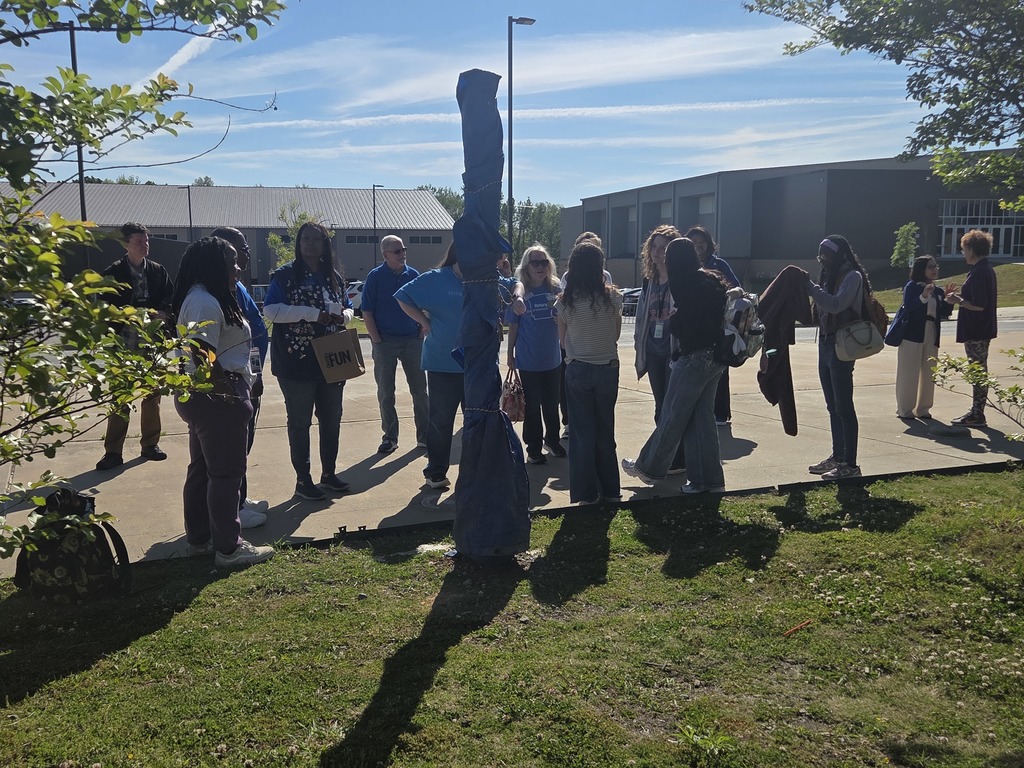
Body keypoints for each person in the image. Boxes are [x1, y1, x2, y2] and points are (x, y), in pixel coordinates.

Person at [172, 237, 274, 567]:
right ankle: (229, 548)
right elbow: (202, 359)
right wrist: (231, 395)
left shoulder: (207, 297)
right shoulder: (204, 302)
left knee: (203, 470)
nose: (238, 267)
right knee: (226, 475)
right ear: (212, 264)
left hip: (208, 398)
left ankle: (200, 539)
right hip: (217, 398)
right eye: (231, 261)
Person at [395, 244, 524, 490]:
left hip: (479, 365)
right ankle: (435, 472)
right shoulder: (436, 279)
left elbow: (515, 283)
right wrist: (423, 321)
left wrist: (517, 297)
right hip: (443, 364)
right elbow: (403, 296)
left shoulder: (487, 278)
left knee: (478, 420)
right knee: (440, 420)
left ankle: (476, 471)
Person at [622, 237, 728, 494]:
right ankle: (708, 480)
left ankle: (649, 467)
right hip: (716, 358)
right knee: (702, 421)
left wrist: (675, 320)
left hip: (692, 358)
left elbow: (686, 327)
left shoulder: (684, 283)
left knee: (671, 415)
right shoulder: (710, 279)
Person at [263, 222, 354, 501]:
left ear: (325, 244)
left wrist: (345, 317)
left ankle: (329, 474)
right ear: (298, 243)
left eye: (317, 239)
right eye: (305, 239)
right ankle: (304, 480)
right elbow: (271, 311)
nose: (310, 244)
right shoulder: (285, 275)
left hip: (331, 358)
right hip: (296, 360)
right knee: (300, 422)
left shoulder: (334, 276)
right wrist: (312, 314)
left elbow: (348, 306)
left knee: (332, 419)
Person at [95, 222, 174, 471]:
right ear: (126, 244)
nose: (145, 245)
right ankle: (113, 452)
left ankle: (150, 444)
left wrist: (162, 312)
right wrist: (124, 315)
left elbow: (170, 297)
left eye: (147, 241)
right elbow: (104, 306)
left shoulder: (158, 271)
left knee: (152, 395)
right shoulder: (114, 272)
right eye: (139, 242)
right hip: (123, 341)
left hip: (152, 340)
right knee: (120, 396)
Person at [209, 227, 269, 528]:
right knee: (231, 449)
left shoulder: (238, 285)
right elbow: (204, 350)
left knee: (243, 444)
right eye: (239, 248)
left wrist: (256, 374)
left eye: (245, 248)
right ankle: (233, 509)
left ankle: (240, 498)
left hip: (247, 376)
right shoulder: (218, 291)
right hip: (232, 382)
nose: (246, 253)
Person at [555, 240, 623, 504]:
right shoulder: (614, 297)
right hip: (608, 367)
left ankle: (585, 493)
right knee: (605, 430)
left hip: (578, 368)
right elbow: (616, 334)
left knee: (581, 434)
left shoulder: (564, 302)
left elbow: (563, 341)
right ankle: (610, 490)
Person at [806, 235, 872, 480]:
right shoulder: (827, 275)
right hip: (825, 343)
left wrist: (811, 288)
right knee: (832, 405)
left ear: (839, 254)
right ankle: (838, 455)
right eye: (820, 254)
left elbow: (836, 305)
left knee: (844, 406)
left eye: (826, 255)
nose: (823, 259)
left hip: (842, 345)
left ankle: (850, 464)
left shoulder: (852, 277)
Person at [362, 235, 428, 455]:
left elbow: (423, 305)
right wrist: (376, 339)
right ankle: (390, 437)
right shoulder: (375, 277)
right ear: (385, 255)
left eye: (404, 250)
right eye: (397, 251)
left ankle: (424, 437)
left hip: (412, 341)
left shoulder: (414, 275)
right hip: (385, 342)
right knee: (386, 392)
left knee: (420, 391)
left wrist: (420, 331)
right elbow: (367, 311)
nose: (403, 254)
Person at [632, 224, 685, 474]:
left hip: (673, 351)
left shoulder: (680, 279)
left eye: (664, 247)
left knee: (672, 407)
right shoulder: (649, 281)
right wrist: (637, 347)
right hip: (652, 350)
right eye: (655, 246)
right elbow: (642, 318)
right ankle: (667, 458)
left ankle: (675, 458)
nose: (658, 252)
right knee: (659, 405)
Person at [506, 244, 564, 465]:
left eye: (544, 262)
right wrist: (510, 353)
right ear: (527, 267)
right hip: (529, 360)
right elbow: (513, 326)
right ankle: (534, 447)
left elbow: (567, 316)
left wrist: (563, 321)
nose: (540, 267)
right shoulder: (521, 292)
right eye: (535, 262)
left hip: (552, 358)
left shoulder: (555, 288)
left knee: (552, 403)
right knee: (532, 405)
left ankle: (552, 440)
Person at [685, 225, 741, 426]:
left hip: (717, 324)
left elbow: (737, 287)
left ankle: (720, 413)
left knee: (719, 369)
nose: (698, 246)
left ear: (709, 244)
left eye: (702, 242)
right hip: (692, 325)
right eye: (694, 243)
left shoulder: (719, 264)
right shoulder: (684, 264)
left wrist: (726, 295)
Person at [946, 230, 998, 427]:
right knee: (978, 370)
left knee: (977, 371)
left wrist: (957, 300)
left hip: (977, 330)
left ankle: (977, 414)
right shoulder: (984, 269)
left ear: (973, 250)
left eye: (964, 249)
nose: (963, 253)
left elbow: (979, 304)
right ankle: (977, 412)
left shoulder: (979, 272)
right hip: (981, 329)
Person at [894, 255, 952, 420]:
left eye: (935, 266)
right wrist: (923, 296)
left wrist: (948, 300)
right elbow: (909, 308)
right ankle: (905, 409)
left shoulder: (937, 290)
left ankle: (923, 409)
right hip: (912, 334)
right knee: (908, 372)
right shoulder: (912, 286)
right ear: (922, 270)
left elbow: (944, 314)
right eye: (931, 267)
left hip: (931, 332)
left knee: (929, 372)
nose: (935, 270)